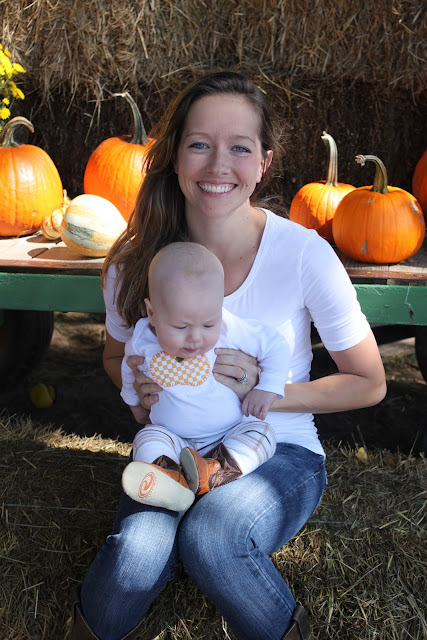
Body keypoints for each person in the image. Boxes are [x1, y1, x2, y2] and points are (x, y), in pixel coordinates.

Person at [70, 71, 386, 640]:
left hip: (278, 447)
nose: (219, 165)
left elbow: (369, 382)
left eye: (239, 148)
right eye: (199, 144)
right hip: (175, 449)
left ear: (264, 162)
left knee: (212, 537)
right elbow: (116, 358)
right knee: (137, 554)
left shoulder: (303, 254)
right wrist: (137, 389)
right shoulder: (135, 261)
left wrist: (264, 393)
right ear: (174, 156)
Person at [120, 241, 290, 512]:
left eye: (208, 324)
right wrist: (134, 404)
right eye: (180, 327)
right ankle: (169, 478)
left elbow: (275, 345)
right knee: (147, 438)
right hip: (172, 437)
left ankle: (211, 472)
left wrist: (266, 388)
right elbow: (129, 369)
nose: (195, 338)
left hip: (227, 435)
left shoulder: (230, 328)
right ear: (152, 313)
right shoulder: (141, 339)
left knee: (262, 434)